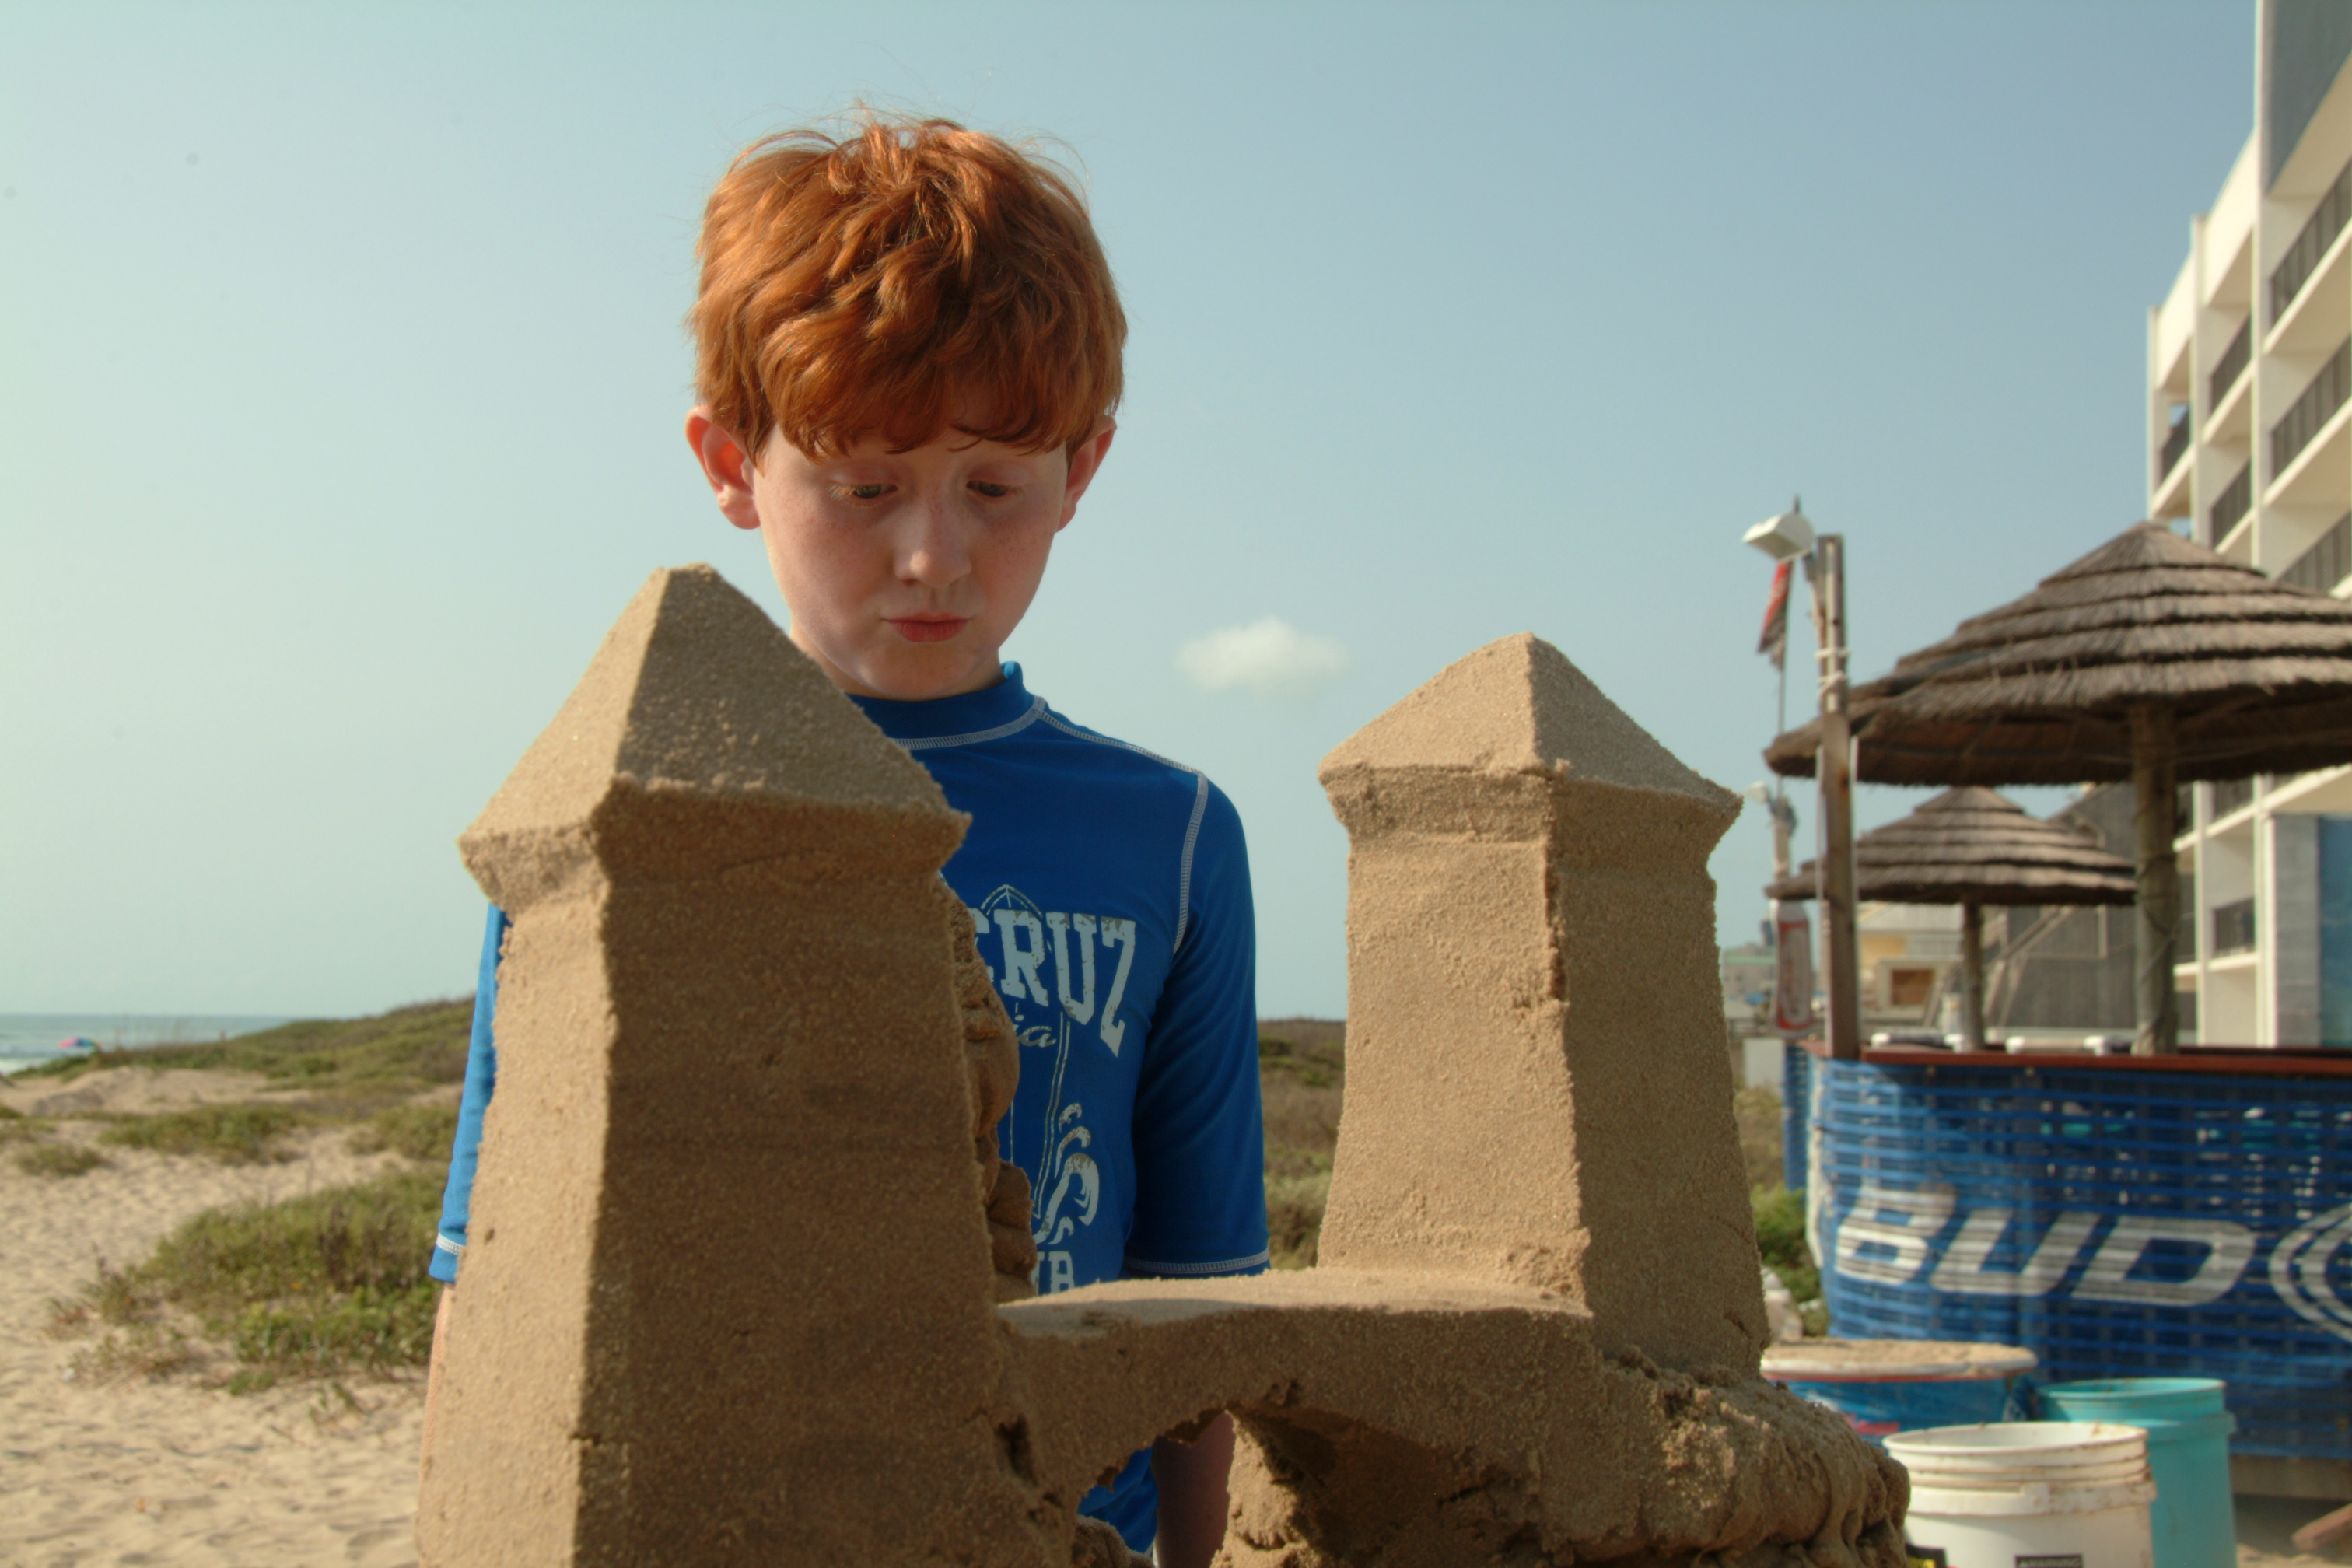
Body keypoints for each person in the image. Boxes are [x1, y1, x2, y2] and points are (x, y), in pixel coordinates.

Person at [424, 114, 1269, 1566]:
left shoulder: (1176, 835)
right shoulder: (629, 826)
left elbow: (1198, 1302)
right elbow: (488, 1283)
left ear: (1086, 469)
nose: (933, 553)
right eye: (865, 485)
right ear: (731, 461)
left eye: (996, 486)